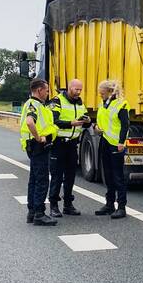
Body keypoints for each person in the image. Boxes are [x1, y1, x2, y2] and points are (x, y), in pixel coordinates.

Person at [20, 78, 59, 226]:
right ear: (39, 90)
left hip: (35, 147)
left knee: (34, 179)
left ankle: (32, 212)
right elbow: (30, 122)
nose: (48, 93)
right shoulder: (33, 105)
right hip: (38, 146)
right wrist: (39, 138)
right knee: (42, 180)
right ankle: (39, 213)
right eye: (47, 90)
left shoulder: (37, 105)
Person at [47, 78, 88, 218]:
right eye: (76, 89)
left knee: (70, 176)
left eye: (80, 89)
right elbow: (54, 121)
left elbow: (85, 120)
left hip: (72, 144)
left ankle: (68, 205)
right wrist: (71, 123)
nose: (78, 92)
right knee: (57, 176)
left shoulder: (80, 102)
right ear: (69, 88)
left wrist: (87, 121)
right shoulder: (56, 101)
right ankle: (53, 205)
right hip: (58, 143)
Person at [94, 80, 130, 219]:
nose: (100, 95)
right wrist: (96, 128)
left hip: (116, 144)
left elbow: (125, 125)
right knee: (107, 175)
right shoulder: (103, 104)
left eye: (102, 93)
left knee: (118, 176)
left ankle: (121, 207)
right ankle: (109, 204)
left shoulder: (122, 104)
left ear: (109, 92)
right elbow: (102, 121)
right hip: (104, 141)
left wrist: (122, 142)